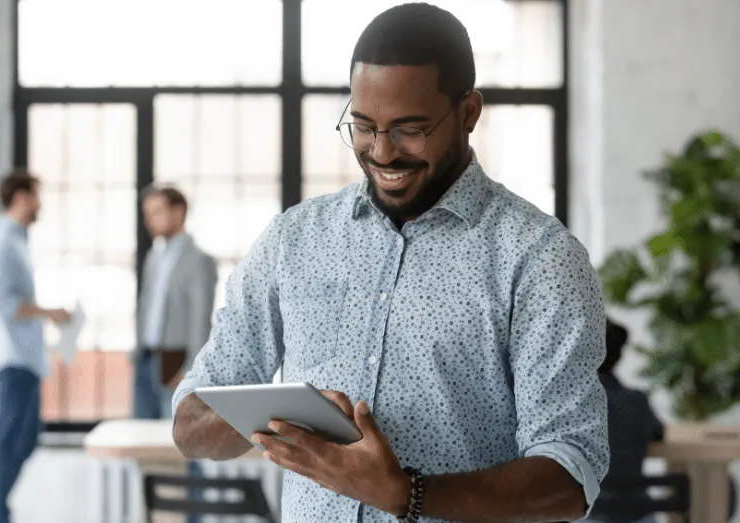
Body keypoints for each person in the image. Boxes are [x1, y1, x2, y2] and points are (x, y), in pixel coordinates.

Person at [171, 4, 609, 523]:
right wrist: (277, 419)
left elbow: (569, 476)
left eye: (410, 129)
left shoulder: (539, 258)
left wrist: (405, 493)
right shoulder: (293, 241)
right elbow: (190, 424)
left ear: (469, 112)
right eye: (362, 126)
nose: (382, 152)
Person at [0, 169, 70, 523]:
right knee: (5, 443)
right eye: (35, 195)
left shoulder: (16, 240)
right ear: (19, 197)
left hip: (24, 359)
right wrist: (50, 313)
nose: (39, 203)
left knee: (25, 439)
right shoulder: (1, 240)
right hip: (9, 359)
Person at [133, 185, 217, 420]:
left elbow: (200, 318)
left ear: (179, 212)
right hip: (146, 356)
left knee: (179, 433)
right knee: (143, 435)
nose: (149, 221)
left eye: (156, 212)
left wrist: (191, 367)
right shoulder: (154, 257)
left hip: (176, 356)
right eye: (147, 214)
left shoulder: (199, 261)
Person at [587, 319, 664, 523]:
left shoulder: (572, 405)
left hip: (589, 513)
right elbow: (658, 433)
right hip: (636, 513)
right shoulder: (636, 401)